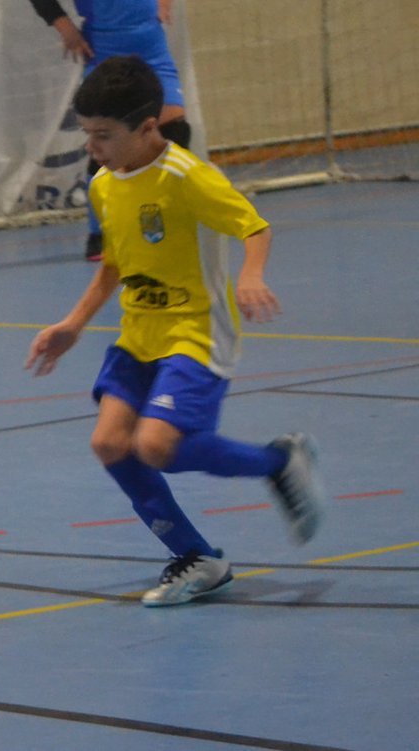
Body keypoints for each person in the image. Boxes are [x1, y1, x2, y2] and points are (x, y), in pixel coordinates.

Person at [25, 56, 324, 607]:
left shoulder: (188, 177)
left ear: (147, 127)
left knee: (157, 445)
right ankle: (198, 558)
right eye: (86, 134)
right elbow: (114, 266)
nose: (92, 147)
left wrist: (250, 275)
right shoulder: (103, 184)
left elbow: (253, 226)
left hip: (195, 330)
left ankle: (279, 461)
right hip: (139, 333)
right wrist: (73, 324)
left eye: (103, 136)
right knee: (110, 444)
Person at [26, 0, 191, 261]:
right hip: (104, 48)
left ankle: (166, 219)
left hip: (150, 44)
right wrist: (64, 26)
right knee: (106, 141)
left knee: (174, 131)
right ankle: (100, 233)